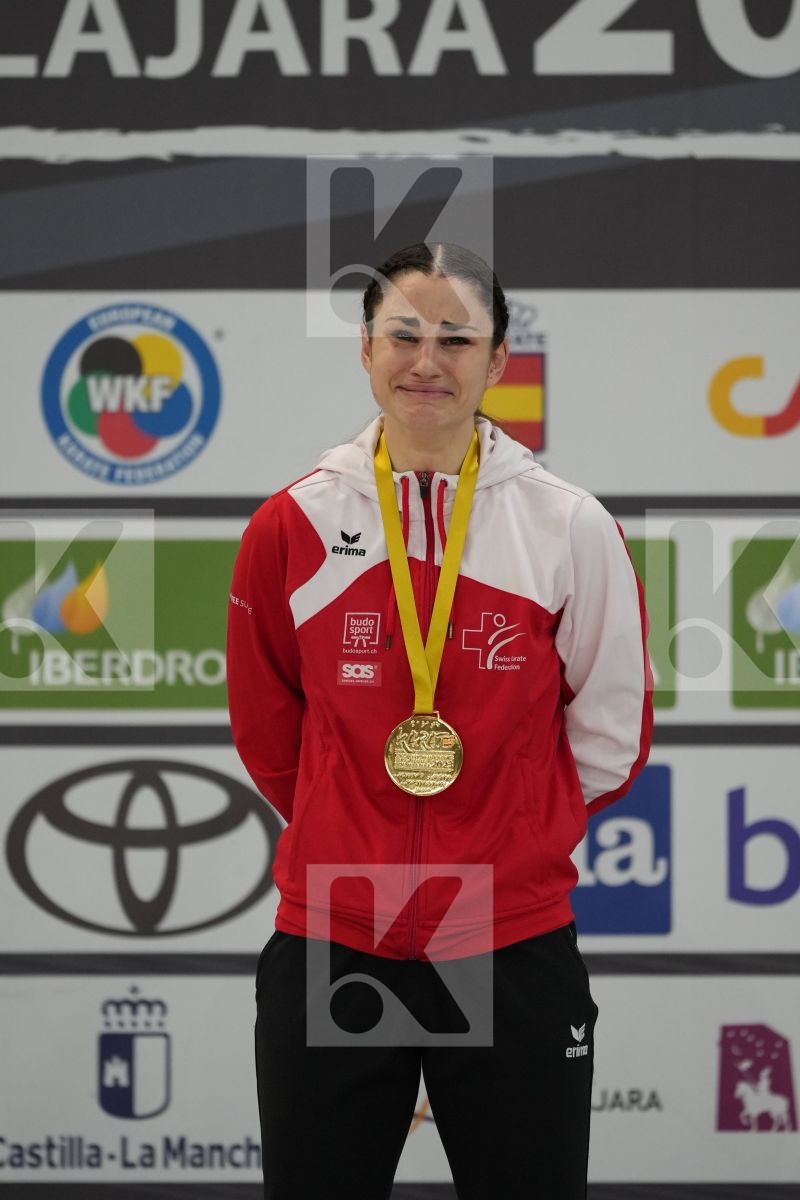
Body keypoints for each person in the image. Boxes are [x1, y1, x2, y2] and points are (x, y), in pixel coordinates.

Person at [227, 241, 653, 1200]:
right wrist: (357, 823)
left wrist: (509, 825)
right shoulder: (291, 524)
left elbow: (612, 730)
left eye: (456, 339)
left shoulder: (569, 526)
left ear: (499, 360)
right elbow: (267, 726)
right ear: (365, 351)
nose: (428, 361)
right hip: (339, 929)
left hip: (508, 936)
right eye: (404, 335)